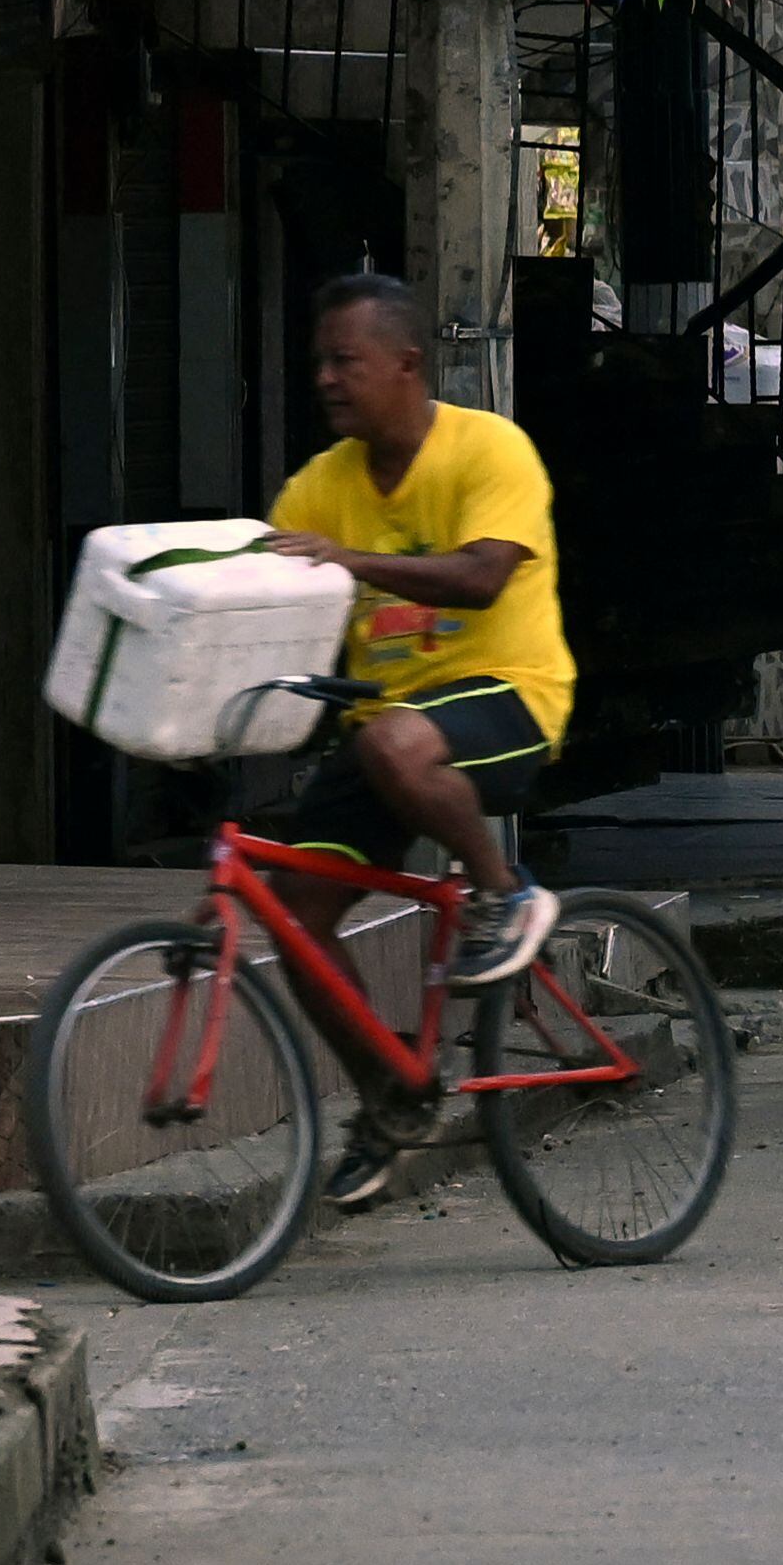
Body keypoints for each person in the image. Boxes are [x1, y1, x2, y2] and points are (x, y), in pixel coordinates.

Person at [254, 272, 575, 1210]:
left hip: (508, 702)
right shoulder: (319, 487)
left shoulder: (489, 449)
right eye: (318, 361)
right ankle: (393, 1093)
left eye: (344, 361)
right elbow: (266, 608)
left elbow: (480, 579)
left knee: (396, 742)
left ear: (406, 365)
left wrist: (350, 561)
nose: (325, 378)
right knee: (296, 922)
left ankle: (505, 897)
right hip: (386, 732)